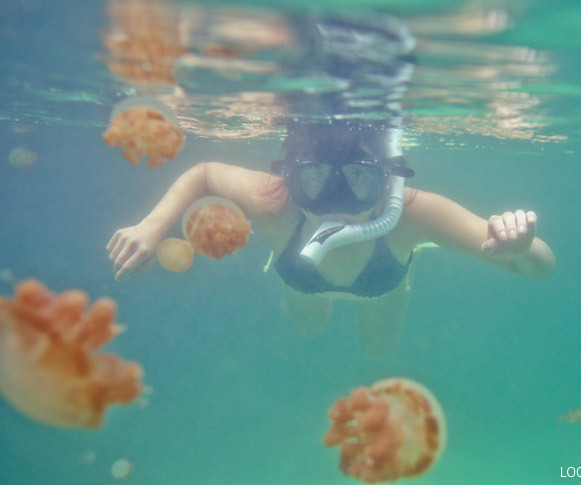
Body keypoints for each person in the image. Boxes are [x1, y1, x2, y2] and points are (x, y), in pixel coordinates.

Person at [106, 13, 555, 359]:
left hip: (383, 279)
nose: (335, 203)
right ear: (291, 176)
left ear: (388, 179)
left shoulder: (413, 215)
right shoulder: (274, 204)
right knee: (308, 329)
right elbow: (203, 173)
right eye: (315, 179)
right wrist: (151, 226)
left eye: (359, 180)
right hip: (302, 276)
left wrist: (520, 246)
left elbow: (539, 268)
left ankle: (403, 272)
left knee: (378, 351)